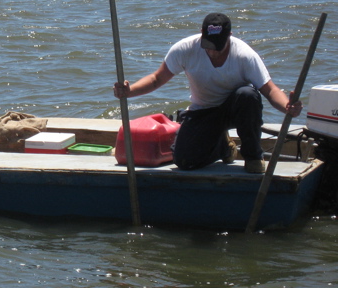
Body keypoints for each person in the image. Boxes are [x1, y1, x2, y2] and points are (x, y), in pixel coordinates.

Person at [113, 13, 302, 173]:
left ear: (230, 36)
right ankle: (223, 147)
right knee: (184, 161)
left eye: (218, 46)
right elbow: (157, 79)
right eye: (208, 45)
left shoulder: (244, 55)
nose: (213, 52)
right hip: (203, 111)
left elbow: (270, 90)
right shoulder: (185, 49)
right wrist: (129, 91)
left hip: (235, 110)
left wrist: (287, 106)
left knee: (248, 95)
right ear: (202, 34)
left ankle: (253, 157)